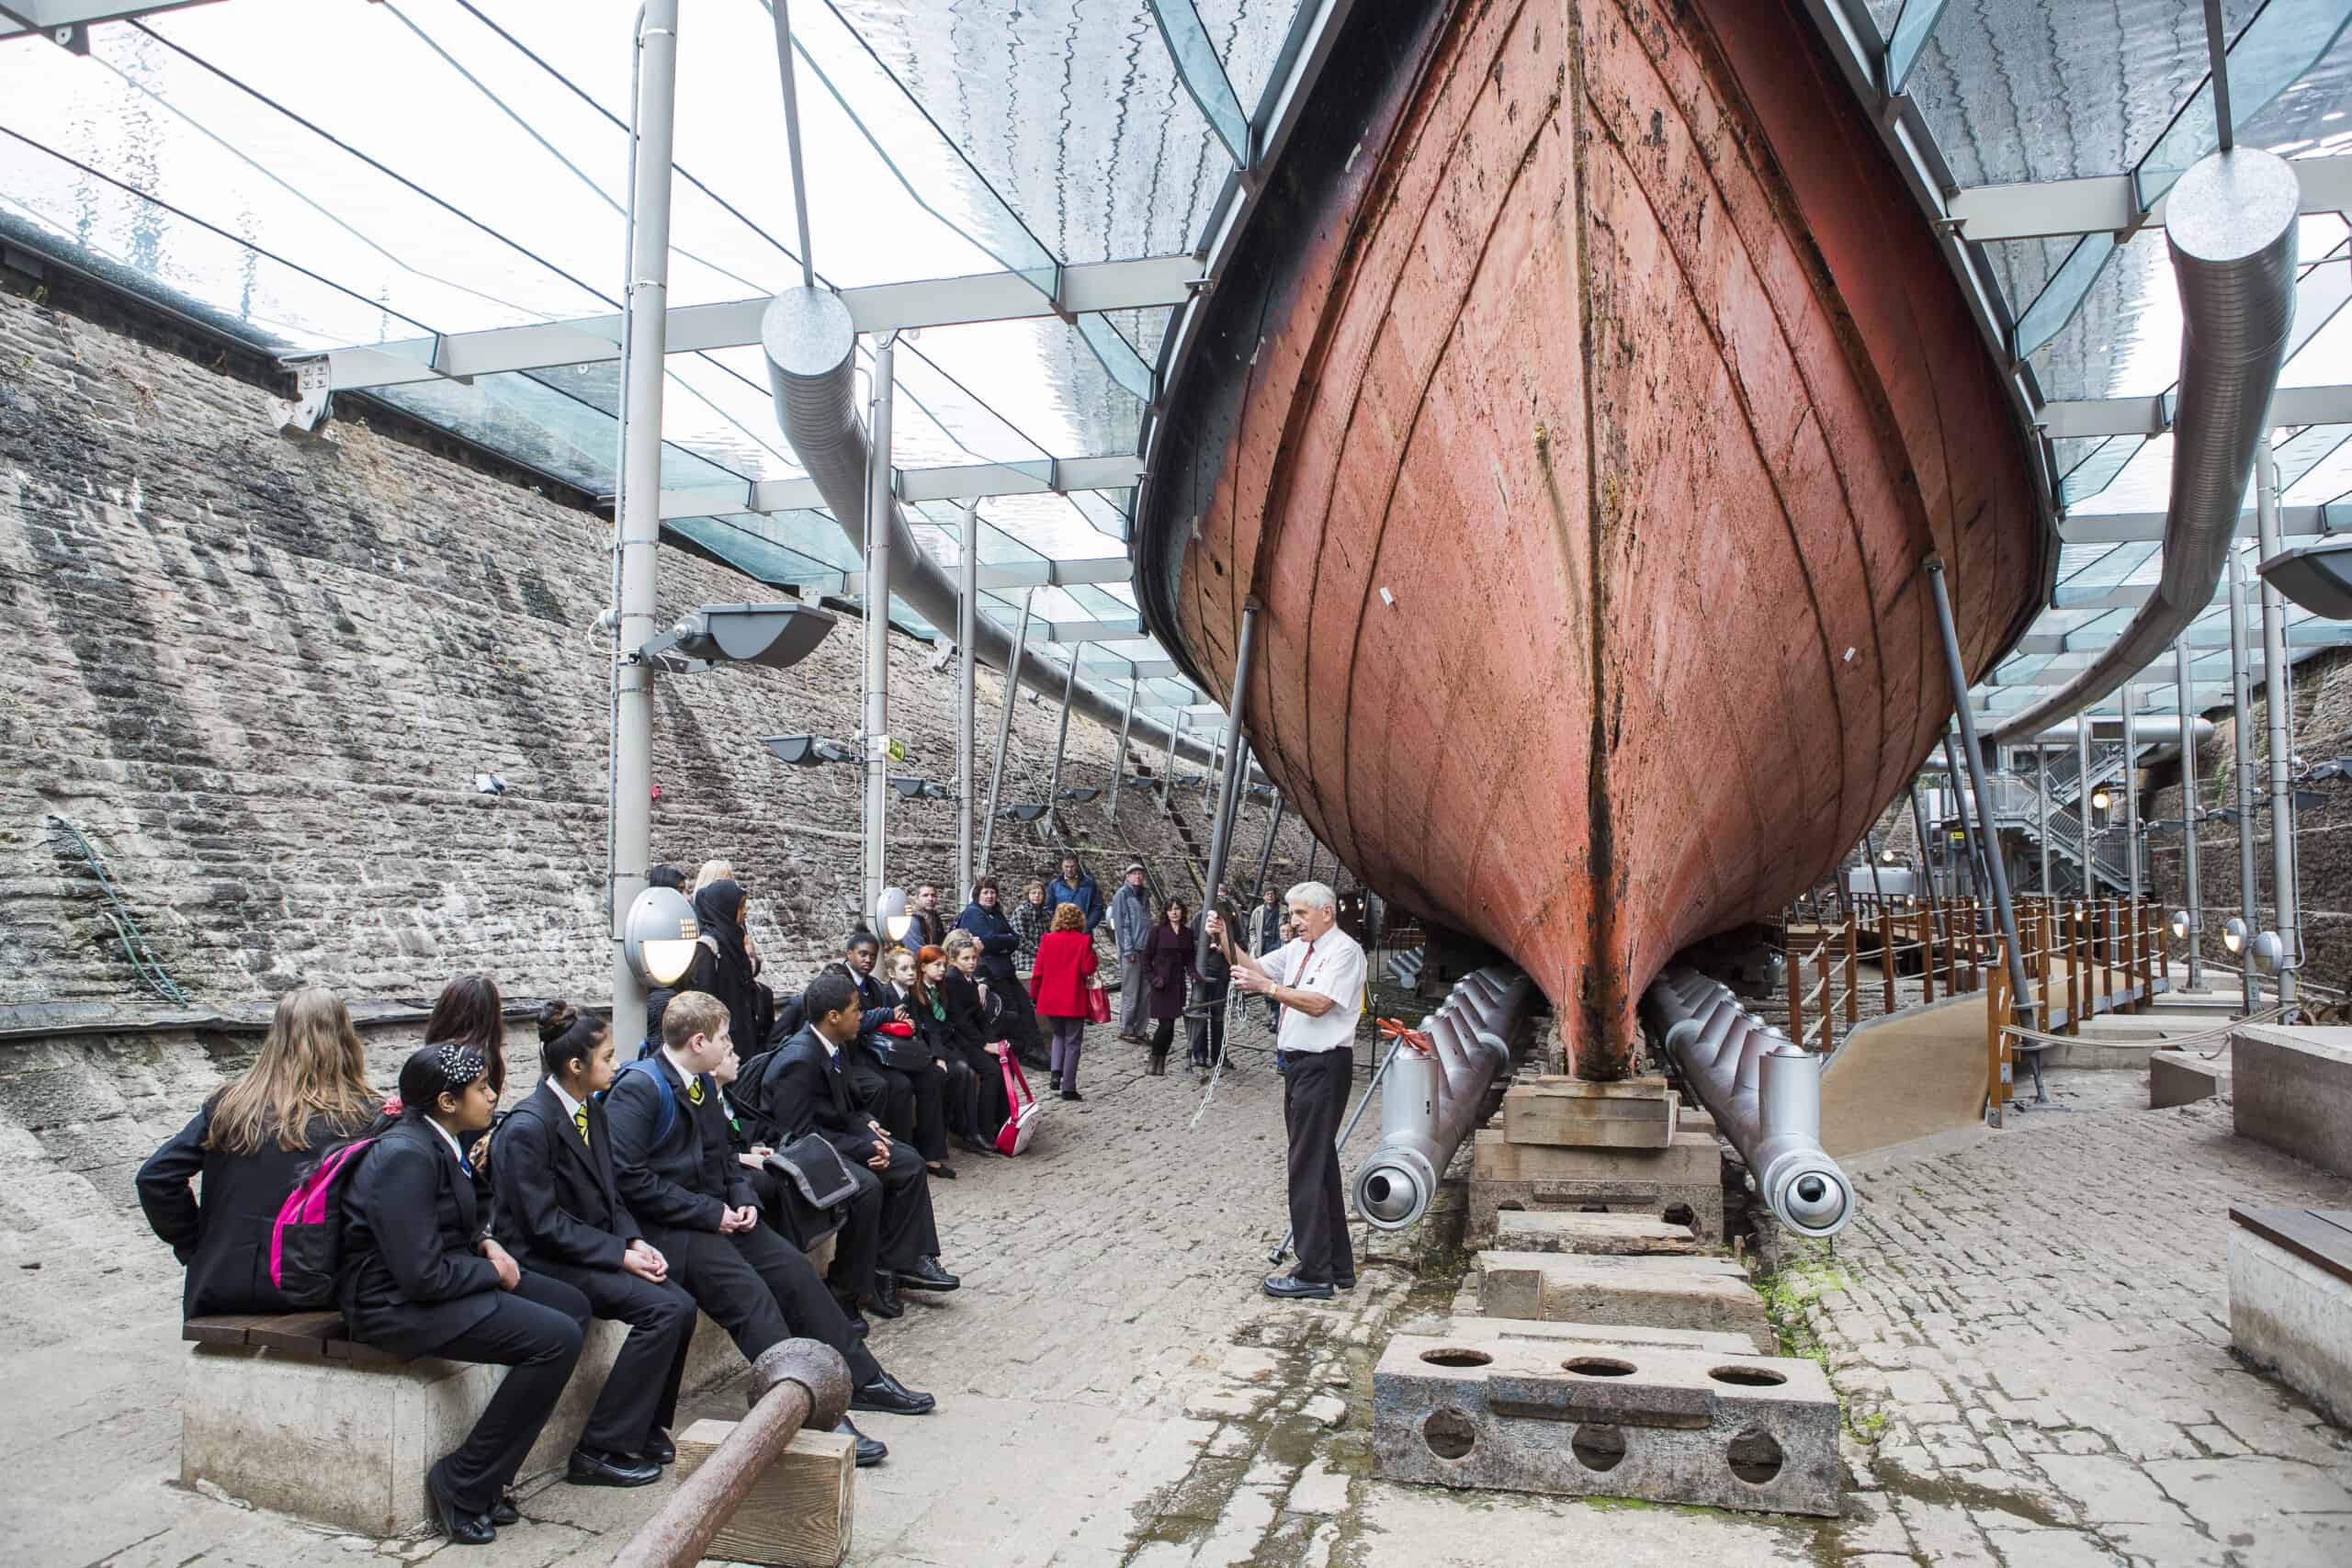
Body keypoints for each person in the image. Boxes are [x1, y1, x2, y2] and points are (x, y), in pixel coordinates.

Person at [605, 990, 922, 1464]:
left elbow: (726, 1159)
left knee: (795, 1275)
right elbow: (629, 1179)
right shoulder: (638, 1088)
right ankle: (811, 1410)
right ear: (697, 1042)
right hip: (670, 1230)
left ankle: (861, 1379)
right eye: (724, 1038)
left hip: (720, 1216)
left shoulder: (701, 1085)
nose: (730, 1045)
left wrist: (742, 1198)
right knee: (750, 1299)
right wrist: (708, 1213)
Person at [338, 1043, 611, 1544]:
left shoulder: (442, 1138)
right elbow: (419, 1274)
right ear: (446, 1101)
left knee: (572, 1306)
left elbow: (457, 1216)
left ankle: (488, 1477)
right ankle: (463, 1480)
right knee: (554, 1338)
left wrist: (485, 1243)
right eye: (482, 1089)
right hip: (391, 1306)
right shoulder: (406, 1155)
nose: (492, 1096)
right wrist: (494, 1274)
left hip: (444, 1277)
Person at [491, 1003, 695, 1481]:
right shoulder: (528, 1127)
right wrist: (619, 1256)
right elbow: (542, 1226)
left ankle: (641, 1423)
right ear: (575, 1067)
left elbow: (612, 1194)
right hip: (542, 1262)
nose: (617, 1065)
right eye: (607, 1057)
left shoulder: (591, 1111)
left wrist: (634, 1241)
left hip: (587, 1248)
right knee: (662, 1310)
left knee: (681, 1303)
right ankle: (599, 1449)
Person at [137, 986, 380, 1318]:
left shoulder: (228, 1104)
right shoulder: (368, 1115)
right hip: (313, 1288)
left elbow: (156, 1177)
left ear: (276, 1036)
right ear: (345, 1039)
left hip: (220, 1280)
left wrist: (196, 1244)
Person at [754, 973, 960, 1324]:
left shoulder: (834, 1047)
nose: (862, 1015)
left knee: (909, 1162)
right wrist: (863, 1149)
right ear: (833, 1016)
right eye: (855, 1009)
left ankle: (896, 1264)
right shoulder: (798, 1061)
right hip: (798, 1154)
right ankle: (845, 1290)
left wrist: (867, 1126)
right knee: (866, 1187)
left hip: (831, 1138)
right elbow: (799, 1137)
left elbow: (847, 1104)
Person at [1207, 882, 1367, 1301]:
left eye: (1300, 914)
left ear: (1327, 913)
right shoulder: (1299, 949)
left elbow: (1319, 1004)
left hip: (1324, 1066)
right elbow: (1255, 968)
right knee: (1320, 1163)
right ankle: (1337, 1266)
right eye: (1292, 914)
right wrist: (1226, 939)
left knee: (1305, 1167)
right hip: (1299, 1067)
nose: (1293, 921)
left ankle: (1314, 1272)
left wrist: (1269, 991)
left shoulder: (1344, 952)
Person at [879, 945, 967, 1179]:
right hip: (893, 1060)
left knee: (938, 1077)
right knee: (902, 1088)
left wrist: (937, 1057)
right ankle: (904, 1152)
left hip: (916, 1055)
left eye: (912, 969)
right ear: (891, 973)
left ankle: (931, 1153)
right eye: (904, 969)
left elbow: (930, 1028)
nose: (910, 973)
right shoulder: (885, 995)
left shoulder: (913, 994)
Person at [956, 877, 1045, 1067]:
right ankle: (1023, 1052)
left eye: (992, 892)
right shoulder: (973, 914)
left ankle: (1035, 1048)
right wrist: (1003, 941)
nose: (990, 896)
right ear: (978, 895)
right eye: (986, 892)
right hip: (992, 972)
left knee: (1026, 1007)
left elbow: (1015, 939)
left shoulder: (997, 913)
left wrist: (1000, 942)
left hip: (1006, 969)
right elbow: (987, 941)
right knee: (1011, 1012)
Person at [937, 932, 1012, 1153]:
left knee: (1003, 1063)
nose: (971, 962)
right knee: (991, 1071)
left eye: (973, 958)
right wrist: (984, 1045)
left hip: (973, 1036)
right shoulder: (952, 980)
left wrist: (994, 1041)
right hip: (959, 1040)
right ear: (954, 961)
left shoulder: (968, 979)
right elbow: (960, 1021)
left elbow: (979, 1016)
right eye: (966, 959)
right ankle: (982, 1129)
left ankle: (1004, 1119)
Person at [1028, 902, 1101, 1100]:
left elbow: (1039, 970)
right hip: (1073, 998)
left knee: (1058, 1035)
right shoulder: (1084, 941)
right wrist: (1093, 957)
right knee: (1073, 1042)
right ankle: (1068, 1087)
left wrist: (1034, 994)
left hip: (1051, 998)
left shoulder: (1047, 939)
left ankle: (1055, 1073)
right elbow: (1087, 970)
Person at [684, 879, 762, 1055]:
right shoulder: (707, 948)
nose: (745, 913)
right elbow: (703, 999)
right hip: (722, 1040)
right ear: (724, 908)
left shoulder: (734, 939)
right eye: (740, 907)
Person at [1141, 897, 1193, 1076]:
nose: (1174, 912)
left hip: (1177, 985)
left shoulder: (1187, 933)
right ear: (1166, 912)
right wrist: (1154, 979)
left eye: (1177, 908)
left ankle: (1160, 1063)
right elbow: (1146, 959)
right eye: (1171, 909)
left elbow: (1189, 959)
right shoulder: (1157, 931)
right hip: (1161, 985)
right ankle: (1153, 1059)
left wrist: (1195, 975)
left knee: (1170, 1026)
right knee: (1165, 1026)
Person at [1188, 902, 1233, 1079]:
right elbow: (1190, 943)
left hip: (1221, 974)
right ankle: (1199, 1054)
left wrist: (1227, 947)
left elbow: (1241, 943)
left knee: (1218, 1016)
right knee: (1199, 1013)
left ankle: (1219, 1055)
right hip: (1202, 972)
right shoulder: (1200, 918)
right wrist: (1207, 945)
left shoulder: (1230, 918)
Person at [1110, 863, 1153, 1043]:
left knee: (1145, 993)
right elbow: (1121, 925)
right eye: (1134, 874)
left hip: (1145, 950)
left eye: (1140, 874)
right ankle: (1126, 1029)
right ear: (1127, 877)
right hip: (1131, 951)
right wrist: (1128, 950)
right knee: (1131, 992)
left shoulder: (1145, 895)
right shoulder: (1122, 895)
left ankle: (1140, 1030)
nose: (1138, 877)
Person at [1047, 853, 1105, 935]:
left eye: (1072, 866)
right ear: (1062, 866)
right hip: (1061, 933)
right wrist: (1057, 926)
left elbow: (1097, 906)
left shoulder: (1089, 884)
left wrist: (1088, 926)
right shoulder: (1054, 885)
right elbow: (1049, 909)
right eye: (1066, 867)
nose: (1069, 870)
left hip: (1084, 932)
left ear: (1077, 865)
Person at [1010, 879, 1051, 982]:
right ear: (1028, 895)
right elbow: (1020, 940)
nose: (1037, 896)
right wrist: (1039, 952)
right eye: (1033, 893)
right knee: (1044, 969)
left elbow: (1051, 937)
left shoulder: (1046, 914)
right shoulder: (1020, 912)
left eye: (1040, 893)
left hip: (1043, 954)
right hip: (1024, 955)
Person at [908, 885, 948, 952]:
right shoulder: (913, 920)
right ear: (917, 899)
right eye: (925, 895)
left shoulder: (935, 917)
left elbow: (941, 942)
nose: (930, 899)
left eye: (933, 895)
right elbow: (918, 951)